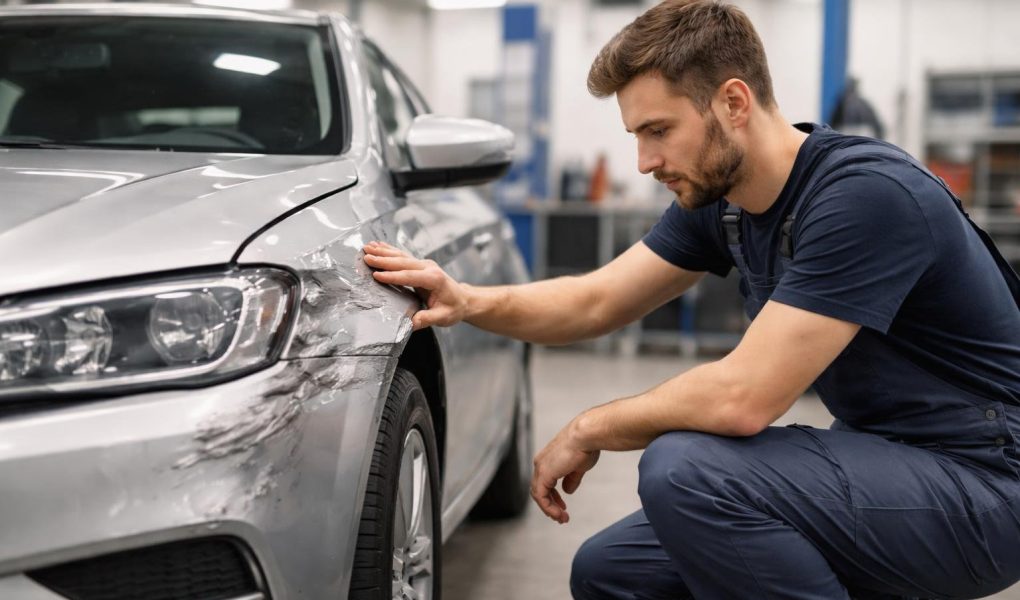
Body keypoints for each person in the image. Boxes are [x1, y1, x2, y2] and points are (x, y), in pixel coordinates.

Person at [363, 1, 1020, 597]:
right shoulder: (724, 202)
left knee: (687, 470)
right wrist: (467, 299)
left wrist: (592, 425)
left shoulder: (864, 197)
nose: (645, 161)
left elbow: (744, 398)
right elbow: (595, 302)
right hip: (891, 460)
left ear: (733, 102)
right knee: (611, 574)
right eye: (636, 138)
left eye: (658, 130)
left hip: (986, 482)